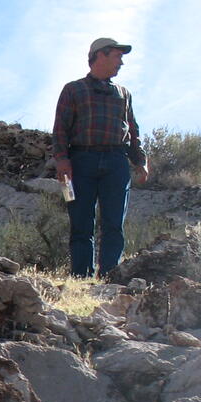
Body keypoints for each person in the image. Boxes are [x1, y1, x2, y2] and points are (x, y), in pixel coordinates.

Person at [52, 38, 149, 277]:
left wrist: (141, 161)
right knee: (81, 223)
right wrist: (62, 160)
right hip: (80, 161)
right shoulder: (73, 89)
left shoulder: (124, 93)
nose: (122, 63)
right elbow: (60, 129)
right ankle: (81, 276)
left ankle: (110, 276)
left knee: (114, 224)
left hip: (116, 162)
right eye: (117, 56)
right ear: (100, 56)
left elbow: (133, 131)